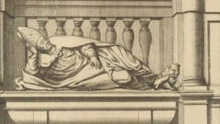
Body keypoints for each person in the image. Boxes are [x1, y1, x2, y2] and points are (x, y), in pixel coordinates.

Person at [16, 26, 177, 91]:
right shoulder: (39, 59)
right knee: (124, 76)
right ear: (37, 47)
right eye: (40, 44)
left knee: (121, 53)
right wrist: (34, 54)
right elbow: (32, 74)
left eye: (43, 39)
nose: (45, 43)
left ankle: (154, 79)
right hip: (83, 76)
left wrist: (93, 56)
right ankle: (148, 88)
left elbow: (84, 44)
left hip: (96, 60)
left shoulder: (57, 41)